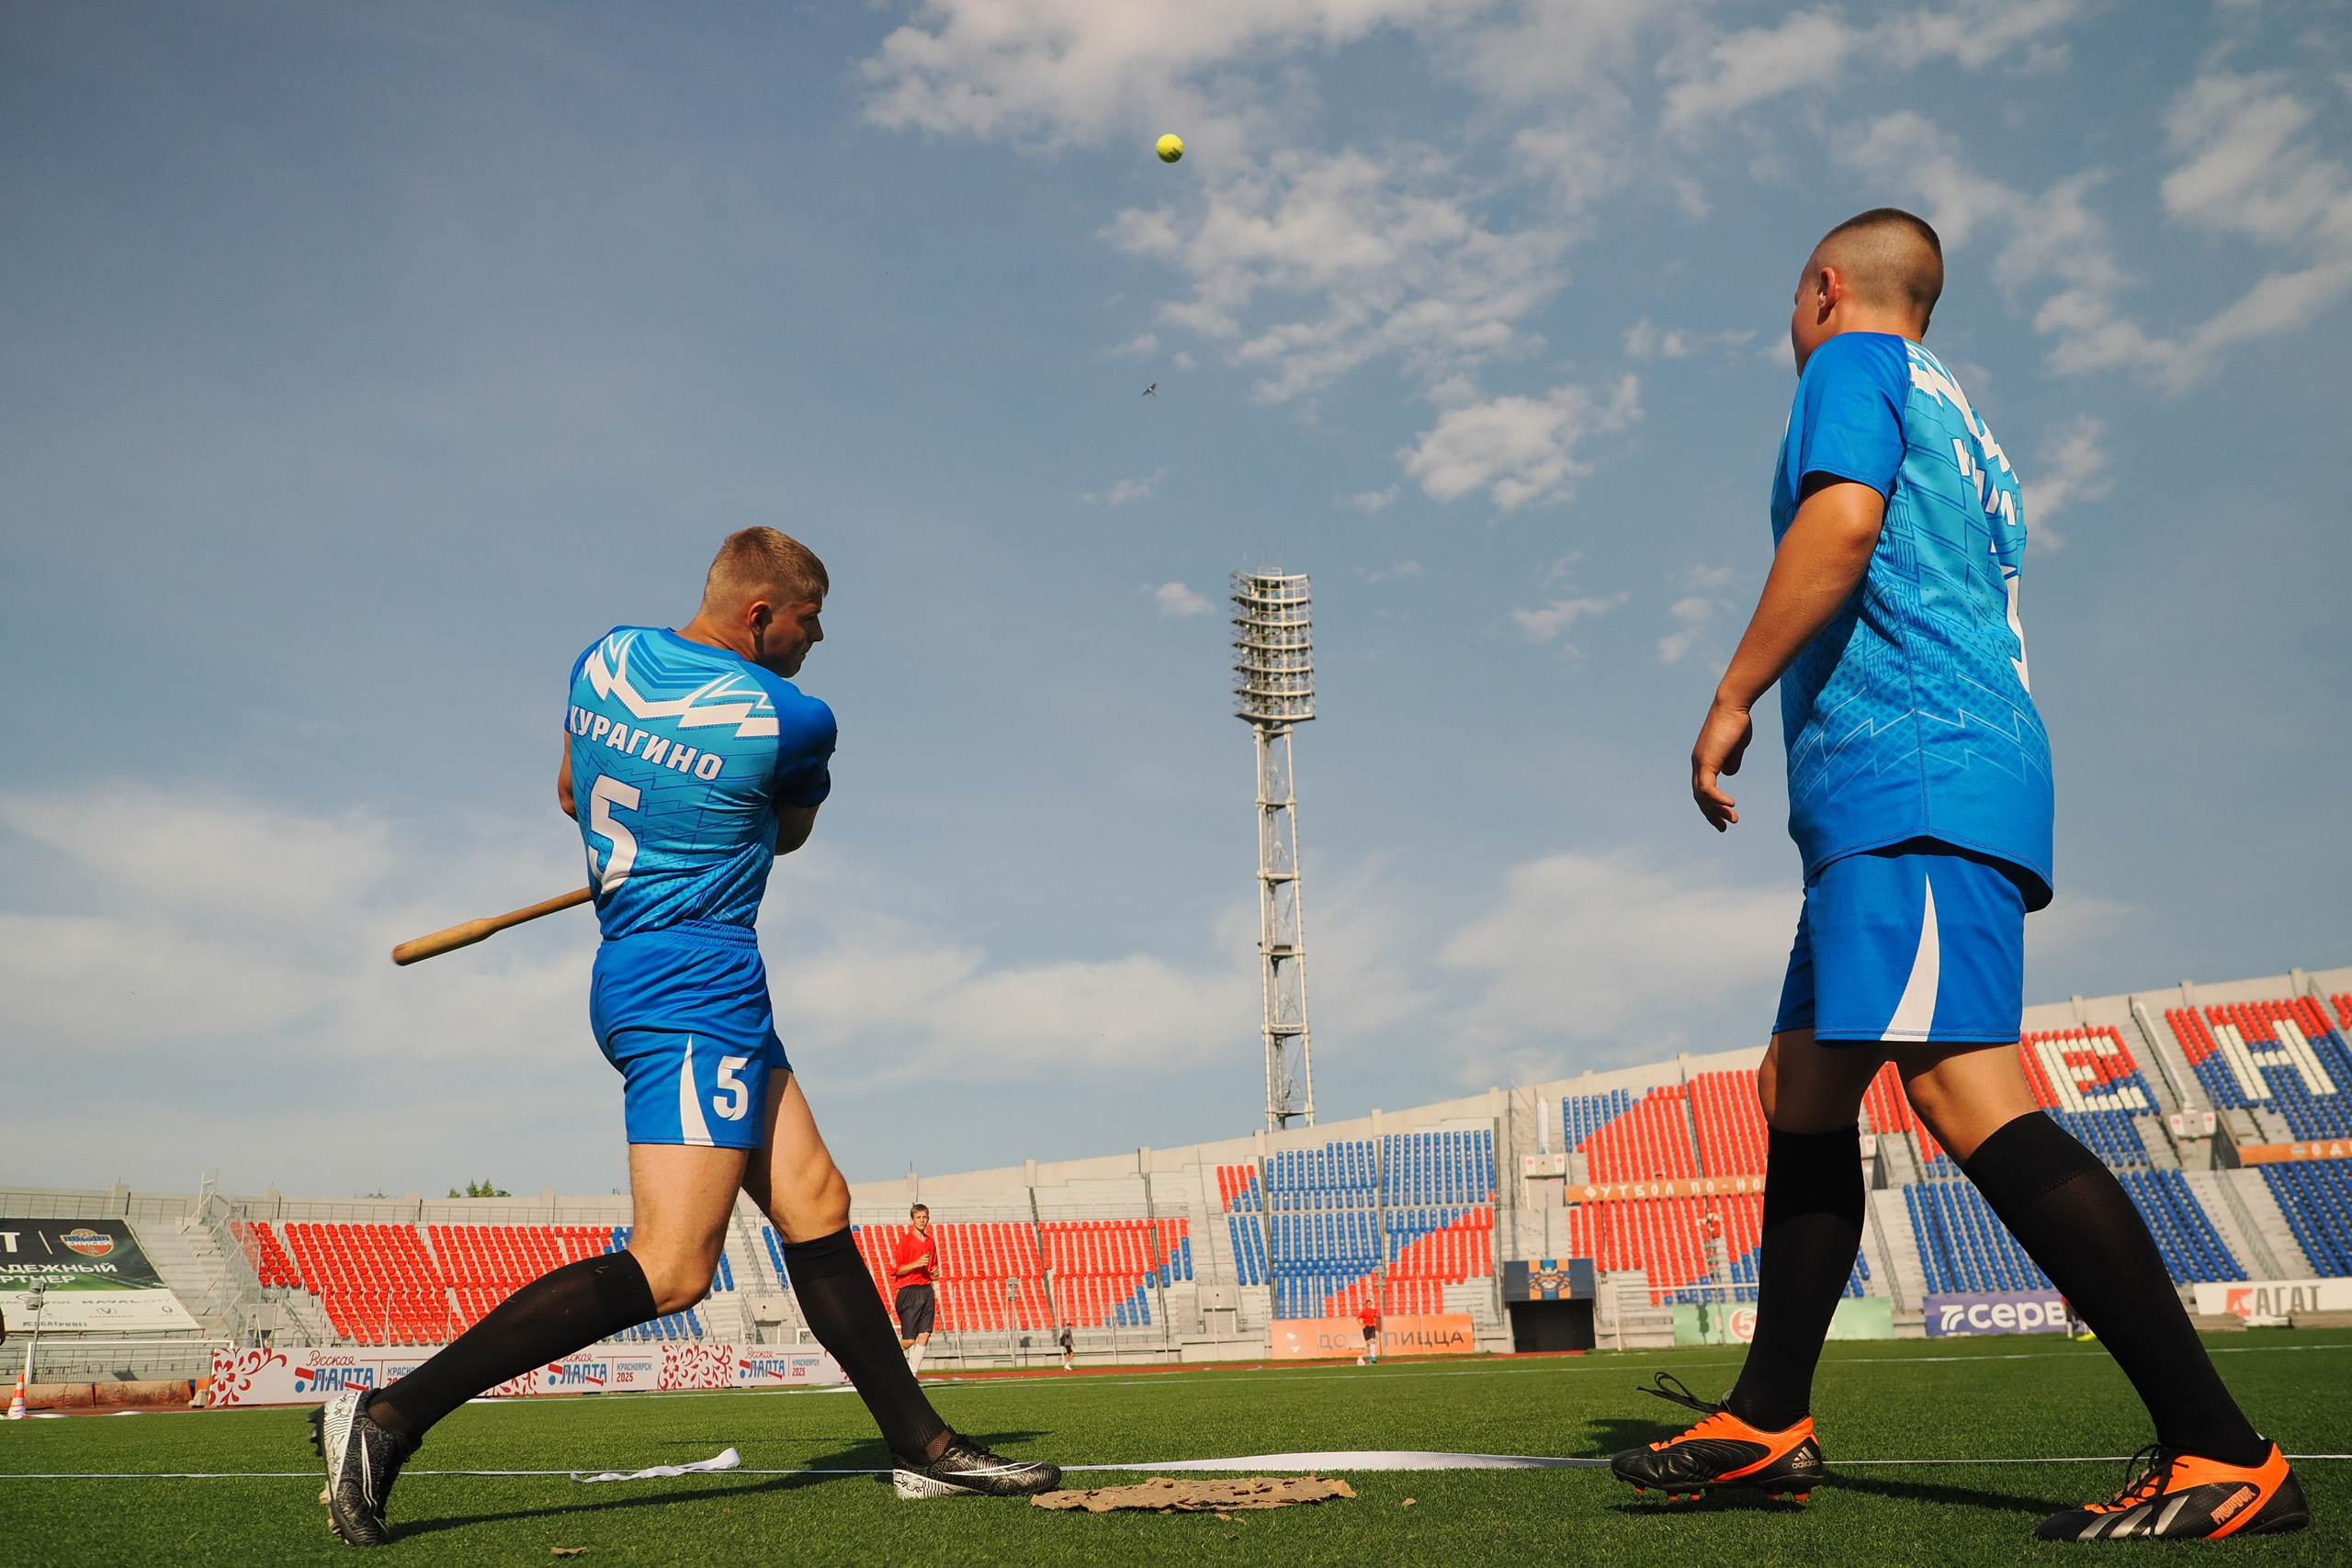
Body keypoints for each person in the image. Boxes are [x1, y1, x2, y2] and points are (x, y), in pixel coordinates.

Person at [1611, 210, 2308, 1542]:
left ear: (1826, 288)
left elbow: (1847, 521)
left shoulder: (1850, 366)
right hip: (1907, 784)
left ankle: (2227, 1451)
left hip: (1916, 775)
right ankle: (1768, 1416)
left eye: (1794, 299)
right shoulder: (1960, 413)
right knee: (1802, 1084)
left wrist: (1732, 690)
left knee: (1959, 1086)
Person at [310, 528, 1062, 1547]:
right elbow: (787, 833)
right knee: (670, 1267)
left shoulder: (606, 657)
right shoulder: (794, 718)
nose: (818, 635)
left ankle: (920, 1448)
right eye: (808, 618)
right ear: (761, 616)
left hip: (657, 968)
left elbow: (573, 793)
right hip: (690, 986)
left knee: (814, 1204)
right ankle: (387, 1415)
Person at [890, 1203, 937, 1375]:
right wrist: (916, 1264)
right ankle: (883, 1359)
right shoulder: (906, 1241)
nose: (922, 1220)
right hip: (909, 1291)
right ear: (912, 1220)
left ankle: (912, 1374)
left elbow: (932, 1268)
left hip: (926, 1290)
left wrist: (935, 1273)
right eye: (919, 1217)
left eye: (924, 1217)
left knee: (925, 1335)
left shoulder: (931, 1242)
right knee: (909, 1340)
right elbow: (895, 1269)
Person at [1356, 1295, 1381, 1366]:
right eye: (1368, 1304)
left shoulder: (1373, 1311)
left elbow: (1377, 1315)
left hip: (1372, 1327)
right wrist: (1361, 1325)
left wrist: (1375, 1321)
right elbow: (1357, 1317)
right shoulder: (1364, 1311)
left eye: (1370, 1304)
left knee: (1373, 1341)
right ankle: (1369, 1356)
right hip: (1366, 1328)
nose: (1369, 1305)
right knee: (1368, 1343)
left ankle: (1373, 1356)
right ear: (1366, 1305)